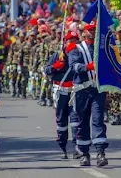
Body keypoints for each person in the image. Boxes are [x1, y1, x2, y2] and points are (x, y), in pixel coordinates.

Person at [68, 21, 108, 167]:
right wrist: (87, 67)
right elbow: (74, 66)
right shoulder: (76, 48)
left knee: (98, 121)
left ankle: (100, 153)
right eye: (89, 30)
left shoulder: (102, 48)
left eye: (94, 30)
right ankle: (84, 153)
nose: (91, 32)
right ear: (84, 32)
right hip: (82, 90)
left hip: (97, 90)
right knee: (82, 122)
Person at [45, 31, 82, 159]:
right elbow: (47, 70)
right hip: (60, 91)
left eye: (75, 40)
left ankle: (77, 147)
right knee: (61, 121)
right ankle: (63, 147)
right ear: (65, 42)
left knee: (75, 120)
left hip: (74, 91)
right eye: (70, 40)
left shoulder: (80, 55)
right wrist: (56, 66)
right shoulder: (57, 55)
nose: (72, 42)